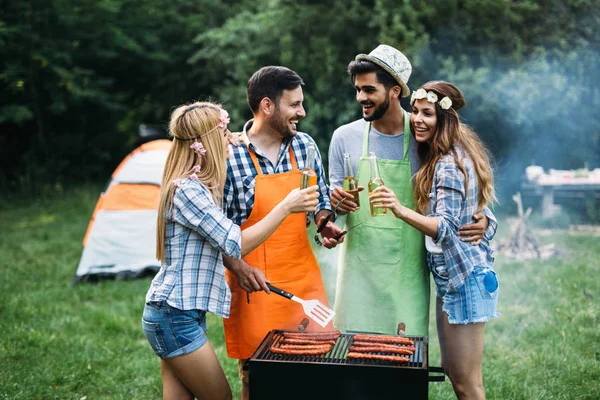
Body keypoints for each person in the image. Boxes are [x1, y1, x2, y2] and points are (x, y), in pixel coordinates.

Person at [141, 101, 320, 400]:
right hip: (174, 317)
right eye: (225, 135)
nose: (232, 139)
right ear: (207, 142)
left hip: (177, 315)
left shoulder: (198, 185)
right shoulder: (187, 191)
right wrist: (287, 206)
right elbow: (234, 241)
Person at [328, 44, 496, 336]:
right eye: (357, 90)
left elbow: (457, 189)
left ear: (394, 91)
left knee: (402, 368)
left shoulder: (424, 135)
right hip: (358, 276)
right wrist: (332, 214)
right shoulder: (344, 138)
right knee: (354, 370)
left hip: (408, 274)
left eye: (369, 90)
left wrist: (486, 218)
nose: (360, 98)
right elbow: (333, 208)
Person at [370, 81, 500, 399]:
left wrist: (398, 210)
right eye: (415, 111)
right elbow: (475, 211)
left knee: (467, 382)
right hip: (453, 280)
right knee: (455, 373)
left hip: (465, 280)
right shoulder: (443, 156)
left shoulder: (450, 165)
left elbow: (447, 227)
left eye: (427, 113)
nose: (417, 119)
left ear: (445, 119)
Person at [222, 66, 344, 400]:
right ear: (267, 106)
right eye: (294, 105)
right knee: (256, 377)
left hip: (302, 278)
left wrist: (324, 222)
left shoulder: (305, 146)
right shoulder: (229, 156)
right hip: (253, 284)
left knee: (312, 373)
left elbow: (319, 203)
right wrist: (239, 268)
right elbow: (217, 231)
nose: (302, 112)